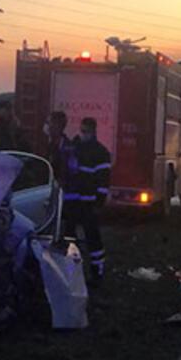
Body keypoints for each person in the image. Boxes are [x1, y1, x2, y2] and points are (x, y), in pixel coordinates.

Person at [64, 117, 111, 282]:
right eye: (81, 130)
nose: (83, 134)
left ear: (93, 131)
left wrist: (99, 202)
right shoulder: (74, 147)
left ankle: (97, 272)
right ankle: (70, 273)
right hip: (73, 201)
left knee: (93, 238)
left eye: (86, 131)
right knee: (68, 237)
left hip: (89, 202)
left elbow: (103, 181)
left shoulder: (101, 152)